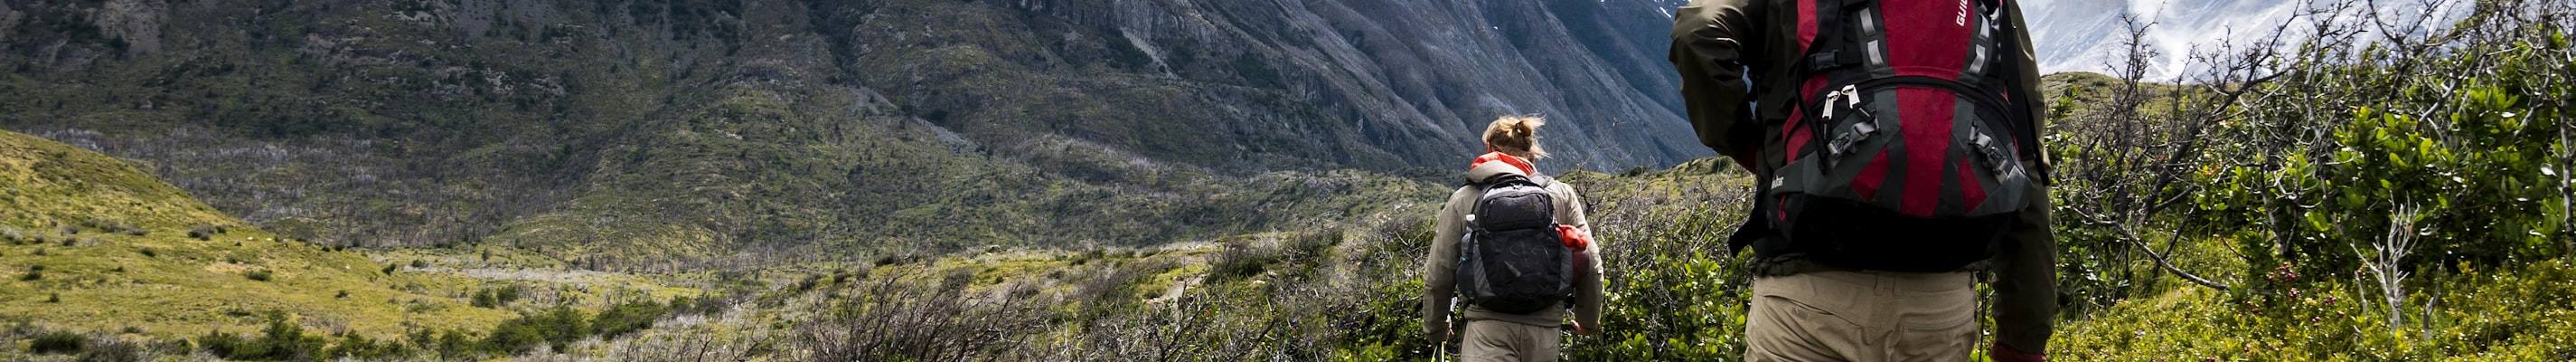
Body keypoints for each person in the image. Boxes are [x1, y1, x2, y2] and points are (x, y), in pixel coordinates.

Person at [1669, 0, 2059, 361]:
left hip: (1808, 303)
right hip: (1939, 310)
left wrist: (1746, 147)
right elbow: (2025, 155)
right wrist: (2024, 335)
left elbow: (1698, 32)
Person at [1423, 116, 1606, 362]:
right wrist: (1588, 320)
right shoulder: (1560, 195)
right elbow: (1591, 263)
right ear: (1531, 153)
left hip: (1487, 330)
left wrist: (1437, 330)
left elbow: (1439, 272)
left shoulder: (1465, 197)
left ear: (1489, 149)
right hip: (1544, 333)